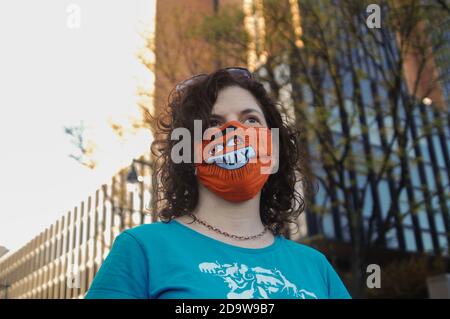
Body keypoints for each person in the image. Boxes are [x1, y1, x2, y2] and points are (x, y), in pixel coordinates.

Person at [85, 67, 351, 299]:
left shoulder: (316, 268)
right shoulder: (142, 250)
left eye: (251, 120)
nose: (235, 131)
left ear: (272, 149)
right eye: (213, 122)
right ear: (189, 152)